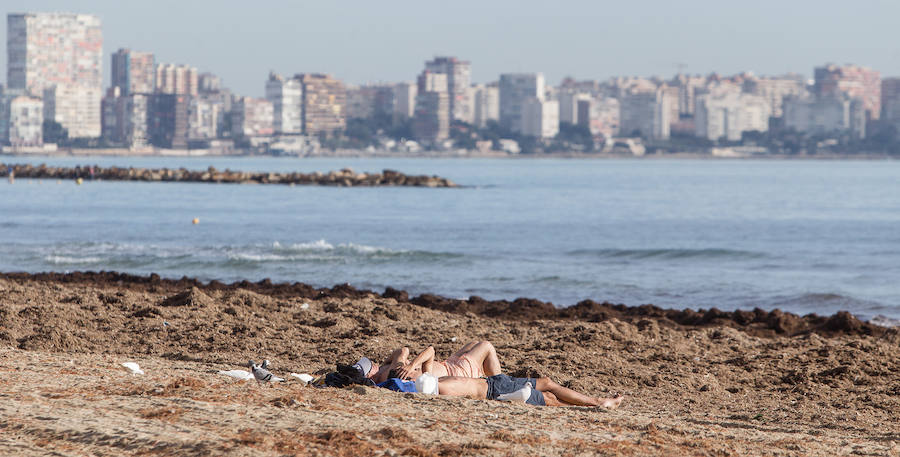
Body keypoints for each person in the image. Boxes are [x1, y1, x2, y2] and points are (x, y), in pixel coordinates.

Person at [354, 341, 502, 384]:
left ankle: (492, 379)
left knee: (473, 343)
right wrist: (411, 365)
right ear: (369, 376)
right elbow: (430, 350)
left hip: (447, 363)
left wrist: (384, 363)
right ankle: (501, 382)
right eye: (370, 367)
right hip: (456, 371)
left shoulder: (387, 369)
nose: (373, 364)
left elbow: (403, 350)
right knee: (486, 346)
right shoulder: (396, 376)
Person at [437, 374, 624, 408]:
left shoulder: (432, 379)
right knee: (549, 398)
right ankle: (598, 403)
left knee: (548, 383)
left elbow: (430, 351)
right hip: (496, 390)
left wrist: (408, 361)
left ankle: (597, 401)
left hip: (495, 381)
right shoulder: (438, 387)